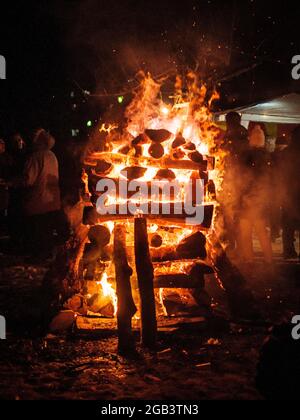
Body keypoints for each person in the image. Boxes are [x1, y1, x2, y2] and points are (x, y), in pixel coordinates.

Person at [22, 129, 64, 259]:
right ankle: (47, 254)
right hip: (52, 201)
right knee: (47, 231)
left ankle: (39, 256)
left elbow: (28, 179)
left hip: (38, 200)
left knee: (38, 231)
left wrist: (14, 182)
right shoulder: (52, 156)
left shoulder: (36, 157)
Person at [238, 124, 273, 265]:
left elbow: (245, 177)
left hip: (255, 201)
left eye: (259, 134)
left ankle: (259, 260)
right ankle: (255, 260)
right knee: (254, 232)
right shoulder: (256, 156)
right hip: (252, 201)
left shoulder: (253, 156)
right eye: (255, 133)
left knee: (257, 232)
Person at [219, 112, 248, 251]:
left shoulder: (235, 135)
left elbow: (229, 156)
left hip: (235, 179)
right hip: (236, 179)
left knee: (231, 213)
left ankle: (233, 245)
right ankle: (235, 245)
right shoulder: (241, 133)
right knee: (234, 214)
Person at [279, 126, 300, 259]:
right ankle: (288, 250)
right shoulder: (287, 153)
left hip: (289, 193)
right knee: (289, 223)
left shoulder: (286, 152)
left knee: (288, 224)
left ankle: (288, 250)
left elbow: (280, 173)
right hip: (291, 192)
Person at [0, 139, 13, 230]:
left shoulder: (7, 157)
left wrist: (6, 181)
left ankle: (3, 226)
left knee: (3, 207)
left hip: (4, 187)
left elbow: (10, 171)